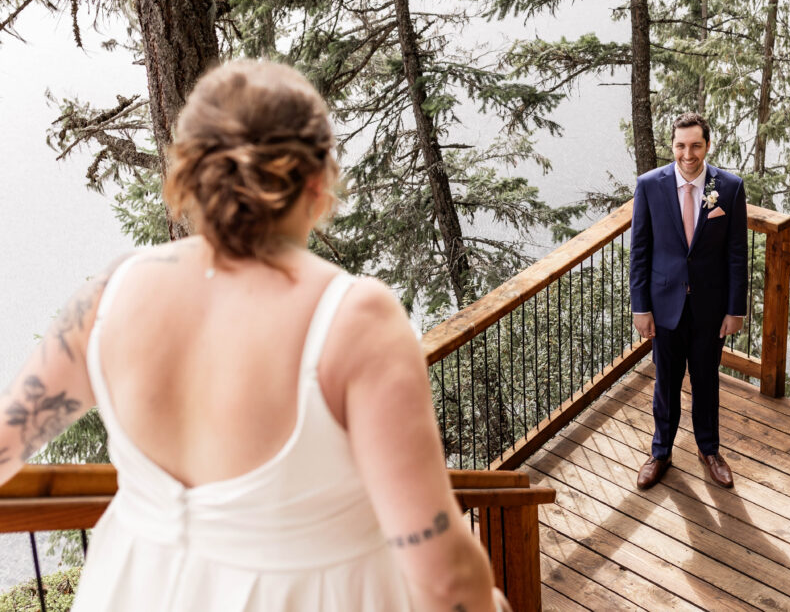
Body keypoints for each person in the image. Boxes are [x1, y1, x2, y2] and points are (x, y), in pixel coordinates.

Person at [0, 60, 507, 611]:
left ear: (190, 173)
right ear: (318, 182)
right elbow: (443, 578)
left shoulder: (112, 294)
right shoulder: (354, 320)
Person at [630, 112, 748, 491]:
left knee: (706, 381)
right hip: (664, 307)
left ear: (707, 146)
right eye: (681, 145)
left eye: (696, 145)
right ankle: (660, 452)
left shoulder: (728, 188)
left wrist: (735, 309)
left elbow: (735, 255)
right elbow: (640, 252)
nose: (688, 153)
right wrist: (641, 307)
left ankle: (709, 450)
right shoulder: (649, 186)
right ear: (673, 147)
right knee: (665, 382)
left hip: (710, 310)